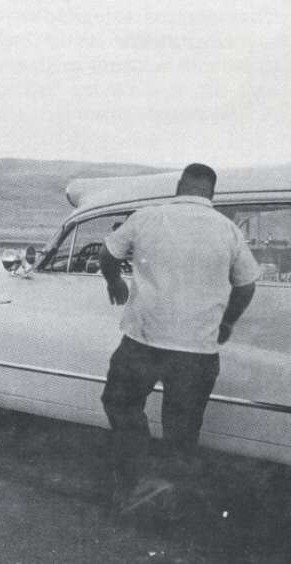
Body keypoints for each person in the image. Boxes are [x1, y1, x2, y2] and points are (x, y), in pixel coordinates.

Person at [98, 163, 259, 515]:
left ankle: (131, 484)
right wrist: (227, 323)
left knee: (121, 405)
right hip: (196, 351)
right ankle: (173, 503)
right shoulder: (228, 230)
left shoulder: (147, 217)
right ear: (211, 193)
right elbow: (246, 284)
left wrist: (114, 282)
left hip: (142, 340)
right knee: (183, 428)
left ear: (178, 187)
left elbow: (107, 254)